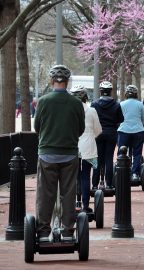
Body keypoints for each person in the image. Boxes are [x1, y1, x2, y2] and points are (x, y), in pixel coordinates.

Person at [34, 65, 85, 242]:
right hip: (69, 154)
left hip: (47, 153)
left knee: (45, 193)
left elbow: (37, 127)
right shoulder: (76, 103)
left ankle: (42, 231)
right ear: (68, 81)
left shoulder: (43, 101)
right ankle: (68, 231)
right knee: (68, 192)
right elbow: (81, 129)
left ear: (51, 81)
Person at [70, 85, 102, 213]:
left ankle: (74, 203)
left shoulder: (69, 110)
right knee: (85, 176)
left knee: (73, 176)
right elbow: (98, 130)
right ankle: (85, 205)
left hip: (72, 145)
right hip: (88, 146)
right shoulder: (91, 110)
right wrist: (89, 136)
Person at [91, 81, 124, 189]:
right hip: (111, 133)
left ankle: (95, 185)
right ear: (110, 92)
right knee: (108, 159)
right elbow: (121, 119)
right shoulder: (116, 104)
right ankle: (109, 184)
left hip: (98, 134)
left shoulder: (94, 104)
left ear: (101, 91)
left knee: (97, 159)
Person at [117, 85, 144, 181]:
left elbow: (118, 118)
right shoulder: (140, 104)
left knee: (122, 153)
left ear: (126, 94)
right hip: (138, 131)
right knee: (137, 153)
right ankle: (135, 174)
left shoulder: (121, 104)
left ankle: (122, 172)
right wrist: (137, 124)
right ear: (136, 94)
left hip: (124, 131)